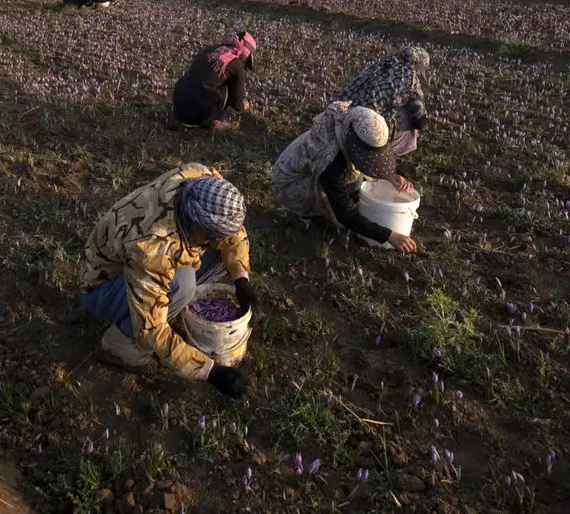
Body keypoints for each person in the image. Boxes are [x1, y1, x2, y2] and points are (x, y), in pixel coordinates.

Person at [79, 164, 256, 398]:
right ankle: (118, 342)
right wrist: (211, 372)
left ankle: (175, 301)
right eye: (211, 237)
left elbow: (234, 234)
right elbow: (151, 329)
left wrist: (241, 279)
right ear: (196, 224)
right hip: (102, 286)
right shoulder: (151, 247)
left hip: (138, 263)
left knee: (220, 257)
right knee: (182, 284)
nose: (216, 241)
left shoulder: (201, 180)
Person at [271, 101, 418, 252]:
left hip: (310, 170)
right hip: (289, 184)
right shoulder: (330, 160)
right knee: (336, 200)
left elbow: (369, 159)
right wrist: (389, 235)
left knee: (355, 178)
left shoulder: (348, 125)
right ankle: (307, 215)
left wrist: (388, 175)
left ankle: (333, 207)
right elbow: (344, 213)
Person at [334, 46, 430, 188]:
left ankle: (364, 163)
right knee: (405, 115)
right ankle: (384, 151)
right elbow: (419, 120)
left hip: (341, 111)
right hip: (367, 124)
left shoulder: (380, 65)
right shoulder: (410, 78)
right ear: (418, 63)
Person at [171, 32, 256, 129]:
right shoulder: (237, 66)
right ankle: (216, 121)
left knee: (195, 80)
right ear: (246, 53)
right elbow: (237, 102)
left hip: (179, 108)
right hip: (200, 114)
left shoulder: (210, 49)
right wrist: (244, 106)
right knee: (226, 89)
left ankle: (183, 118)